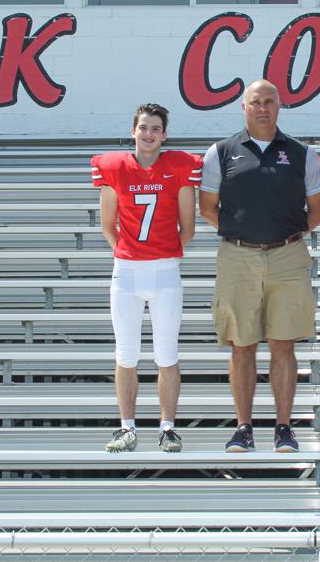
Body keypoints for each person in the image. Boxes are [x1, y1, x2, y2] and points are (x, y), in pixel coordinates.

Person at [199, 79, 320, 453]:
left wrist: (285, 233)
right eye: (255, 101)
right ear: (244, 107)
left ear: (279, 106)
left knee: (283, 344)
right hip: (237, 256)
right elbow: (207, 207)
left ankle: (284, 427)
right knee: (241, 345)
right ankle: (243, 427)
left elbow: (318, 210)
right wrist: (241, 231)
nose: (262, 108)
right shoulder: (221, 152)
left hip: (288, 256)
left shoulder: (302, 153)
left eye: (269, 101)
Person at [91, 103, 202, 453]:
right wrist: (130, 252)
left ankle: (167, 426)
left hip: (165, 271)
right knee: (126, 353)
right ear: (133, 131)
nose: (149, 133)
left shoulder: (179, 167)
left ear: (165, 134)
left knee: (166, 354)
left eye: (155, 128)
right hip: (126, 272)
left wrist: (163, 253)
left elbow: (189, 227)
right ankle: (126, 427)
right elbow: (108, 225)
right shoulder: (114, 167)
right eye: (143, 127)